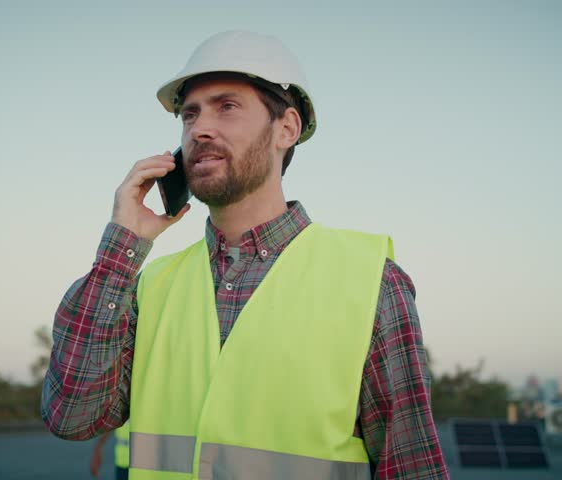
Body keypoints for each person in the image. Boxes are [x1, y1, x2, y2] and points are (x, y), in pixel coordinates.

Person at [42, 30, 449, 479]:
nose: (199, 129)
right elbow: (72, 416)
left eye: (227, 106)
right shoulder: (151, 284)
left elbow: (412, 465)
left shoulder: (370, 280)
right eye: (189, 114)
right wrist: (122, 247)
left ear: (287, 128)